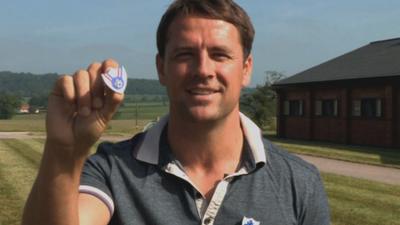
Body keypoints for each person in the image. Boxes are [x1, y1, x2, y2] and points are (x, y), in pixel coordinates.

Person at [22, 0, 330, 224]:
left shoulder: (299, 182)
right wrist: (64, 152)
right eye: (185, 55)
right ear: (161, 68)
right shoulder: (111, 171)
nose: (203, 70)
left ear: (246, 69)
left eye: (220, 55)